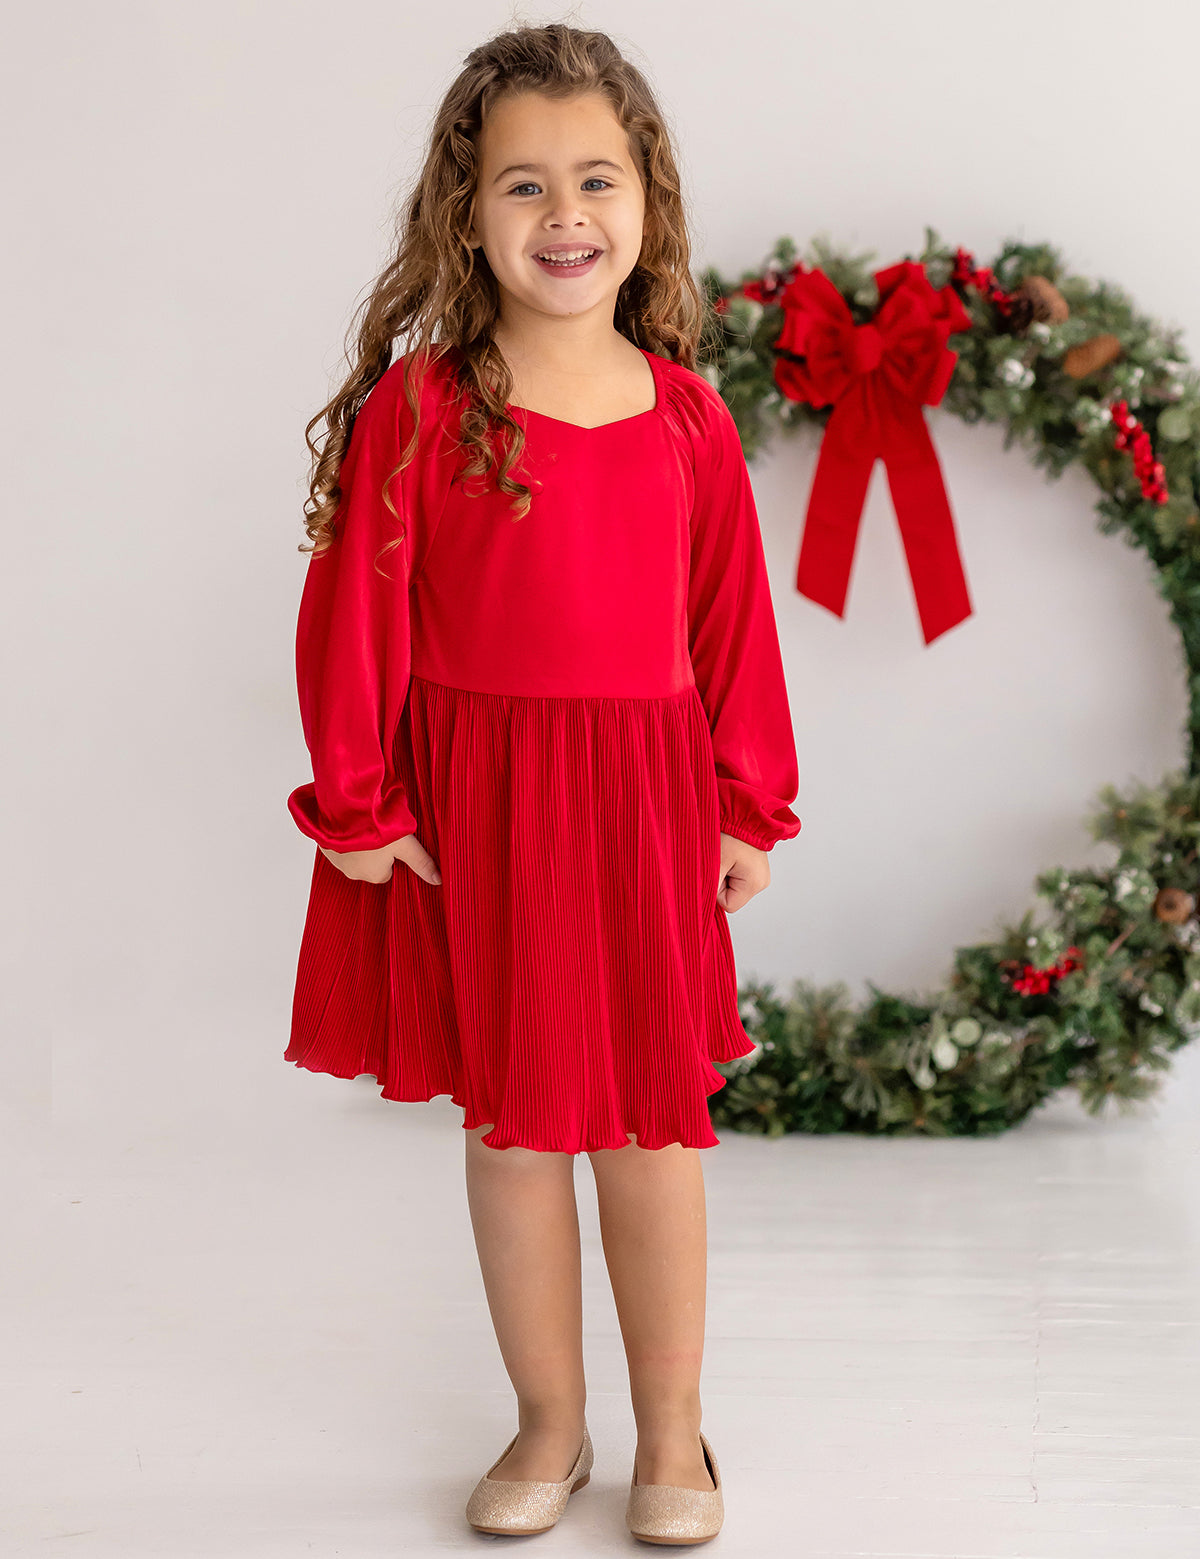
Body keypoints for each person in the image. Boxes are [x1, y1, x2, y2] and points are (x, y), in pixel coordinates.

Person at [284, 21, 801, 1547]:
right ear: (467, 213)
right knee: (513, 1132)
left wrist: (741, 800)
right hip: (481, 811)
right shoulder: (426, 409)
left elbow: (733, 624)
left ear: (647, 204)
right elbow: (353, 615)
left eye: (594, 179)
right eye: (522, 184)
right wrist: (363, 805)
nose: (563, 215)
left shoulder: (691, 418)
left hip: (641, 802)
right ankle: (550, 1424)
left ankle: (679, 1439)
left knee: (651, 1128)